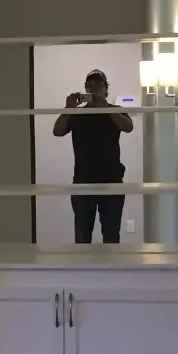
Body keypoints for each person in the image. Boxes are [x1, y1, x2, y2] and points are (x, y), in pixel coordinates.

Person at [52, 69, 133, 243]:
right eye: (89, 86)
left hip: (111, 181)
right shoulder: (77, 114)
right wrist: (68, 109)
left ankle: (111, 269)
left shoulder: (115, 110)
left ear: (106, 89)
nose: (93, 89)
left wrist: (104, 107)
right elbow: (57, 131)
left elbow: (128, 127)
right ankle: (83, 269)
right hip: (83, 181)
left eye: (98, 85)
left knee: (111, 235)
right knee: (82, 235)